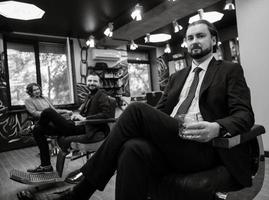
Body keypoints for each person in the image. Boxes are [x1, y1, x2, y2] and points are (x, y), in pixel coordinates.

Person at [38, 19, 254, 200]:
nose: (194, 41)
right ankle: (81, 192)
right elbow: (159, 113)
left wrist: (216, 127)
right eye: (190, 38)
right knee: (131, 148)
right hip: (172, 139)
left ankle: (80, 192)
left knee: (135, 109)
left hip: (202, 145)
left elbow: (245, 115)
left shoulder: (229, 71)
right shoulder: (177, 77)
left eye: (200, 36)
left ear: (213, 40)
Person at [26, 73, 115, 174]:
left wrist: (85, 118)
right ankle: (46, 165)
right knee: (38, 131)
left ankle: (32, 128)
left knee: (48, 112)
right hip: (77, 124)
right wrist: (76, 115)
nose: (91, 83)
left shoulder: (101, 95)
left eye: (95, 81)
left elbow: (106, 115)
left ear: (100, 83)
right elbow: (84, 112)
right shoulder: (90, 95)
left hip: (87, 128)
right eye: (89, 81)